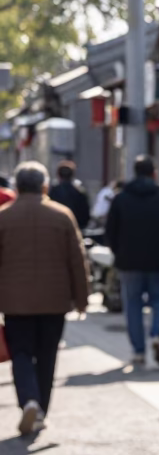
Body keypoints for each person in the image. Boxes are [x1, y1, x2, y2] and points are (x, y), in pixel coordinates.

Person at [0, 162, 90, 435]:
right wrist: (82, 299)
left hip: (15, 301)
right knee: (48, 355)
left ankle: (29, 400)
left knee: (22, 353)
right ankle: (40, 409)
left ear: (17, 187)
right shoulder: (62, 216)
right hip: (55, 301)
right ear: (44, 186)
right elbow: (77, 261)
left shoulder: (3, 217)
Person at [105, 156, 159, 367]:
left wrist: (118, 252)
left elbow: (110, 231)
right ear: (154, 173)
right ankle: (157, 334)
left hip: (128, 261)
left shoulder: (121, 199)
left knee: (133, 304)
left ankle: (138, 351)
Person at [48, 160, 90, 229]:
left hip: (55, 228)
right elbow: (85, 216)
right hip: (75, 228)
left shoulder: (53, 191)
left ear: (58, 174)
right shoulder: (80, 192)